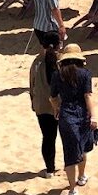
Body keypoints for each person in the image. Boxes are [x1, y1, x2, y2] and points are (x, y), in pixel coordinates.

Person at [49, 43, 97, 195]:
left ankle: (72, 189)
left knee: (70, 151)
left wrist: (57, 109)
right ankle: (81, 176)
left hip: (66, 115)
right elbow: (88, 96)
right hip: (82, 114)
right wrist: (93, 116)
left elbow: (53, 97)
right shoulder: (85, 74)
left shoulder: (58, 75)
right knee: (82, 147)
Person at [29, 46, 60, 177]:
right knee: (64, 137)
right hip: (58, 105)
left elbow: (31, 84)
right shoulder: (60, 62)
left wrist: (33, 102)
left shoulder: (37, 62)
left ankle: (49, 169)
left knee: (48, 138)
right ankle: (71, 166)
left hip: (41, 105)